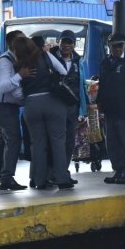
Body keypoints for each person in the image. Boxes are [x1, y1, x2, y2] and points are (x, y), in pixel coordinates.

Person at [14, 34, 75, 190]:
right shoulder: (44, 55)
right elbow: (63, 71)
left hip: (31, 105)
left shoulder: (18, 62)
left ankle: (39, 180)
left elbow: (16, 88)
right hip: (52, 102)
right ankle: (61, 179)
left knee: (37, 144)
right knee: (58, 142)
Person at [0, 30, 32, 191]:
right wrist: (20, 75)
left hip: (3, 105)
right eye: (21, 39)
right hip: (4, 106)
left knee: (2, 140)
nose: (24, 42)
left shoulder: (13, 59)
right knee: (13, 140)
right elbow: (4, 86)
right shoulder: (5, 62)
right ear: (12, 43)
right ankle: (6, 177)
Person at [97, 33, 125, 184]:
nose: (117, 48)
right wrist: (99, 103)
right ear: (109, 46)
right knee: (112, 143)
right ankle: (118, 170)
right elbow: (102, 85)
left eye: (120, 45)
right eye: (114, 46)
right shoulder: (105, 63)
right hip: (110, 110)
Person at [53, 32, 82, 176]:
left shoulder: (78, 61)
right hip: (56, 105)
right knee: (57, 139)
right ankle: (55, 170)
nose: (66, 45)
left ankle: (63, 170)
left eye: (69, 43)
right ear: (58, 42)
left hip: (72, 106)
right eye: (63, 42)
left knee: (70, 140)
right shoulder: (51, 58)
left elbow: (81, 83)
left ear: (74, 45)